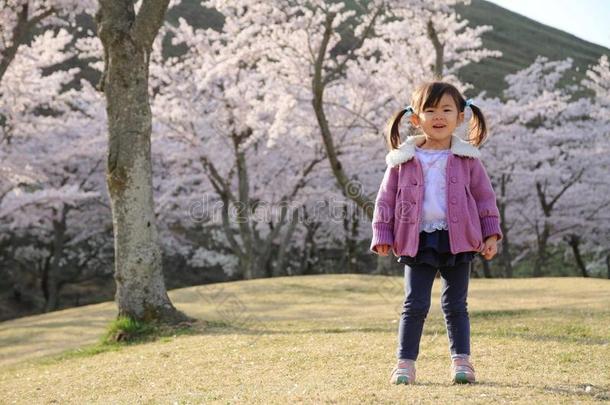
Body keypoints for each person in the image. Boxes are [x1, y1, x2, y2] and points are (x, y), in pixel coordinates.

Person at [369, 81, 503, 385]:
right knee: (414, 303)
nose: (438, 116)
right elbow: (385, 199)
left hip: (459, 239)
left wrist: (490, 233)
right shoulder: (402, 160)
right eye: (430, 110)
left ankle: (462, 362)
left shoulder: (467, 158)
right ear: (416, 118)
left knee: (456, 304)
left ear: (460, 117)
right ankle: (404, 364)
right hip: (417, 239)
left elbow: (484, 198)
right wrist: (382, 234)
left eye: (446, 109)